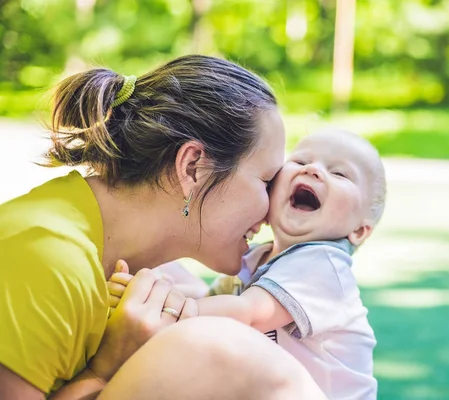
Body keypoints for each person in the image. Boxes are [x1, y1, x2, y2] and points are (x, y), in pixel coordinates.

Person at [0, 54, 326, 399]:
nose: (272, 209)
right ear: (192, 167)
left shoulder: (126, 265)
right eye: (266, 182)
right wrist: (107, 368)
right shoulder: (44, 259)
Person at [110, 129, 387, 399]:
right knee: (169, 276)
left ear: (360, 231)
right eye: (300, 161)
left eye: (339, 174)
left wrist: (160, 307)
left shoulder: (324, 265)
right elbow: (211, 302)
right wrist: (154, 287)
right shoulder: (257, 259)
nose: (312, 170)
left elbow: (247, 312)